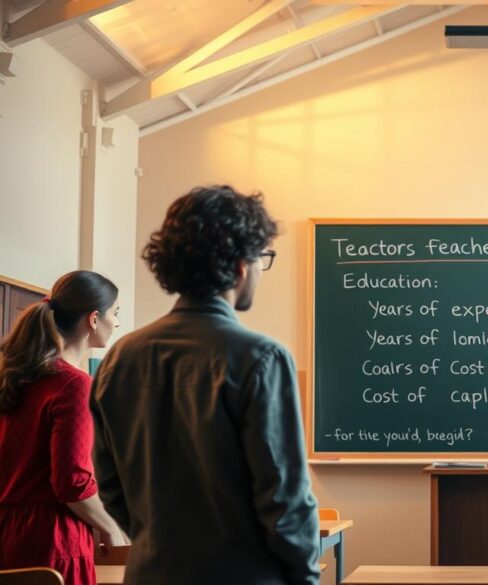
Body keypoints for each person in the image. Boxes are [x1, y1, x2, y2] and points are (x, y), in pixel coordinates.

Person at [90, 185, 320, 584]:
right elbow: (284, 499)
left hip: (150, 573)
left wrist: (160, 539)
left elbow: (110, 485)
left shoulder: (118, 359)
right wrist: (306, 577)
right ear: (241, 265)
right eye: (262, 258)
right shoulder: (261, 358)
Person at [0, 271, 127, 585]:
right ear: (94, 319)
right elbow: (72, 483)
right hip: (52, 540)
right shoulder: (74, 384)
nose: (117, 323)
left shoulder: (15, 378)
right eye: (115, 313)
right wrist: (111, 527)